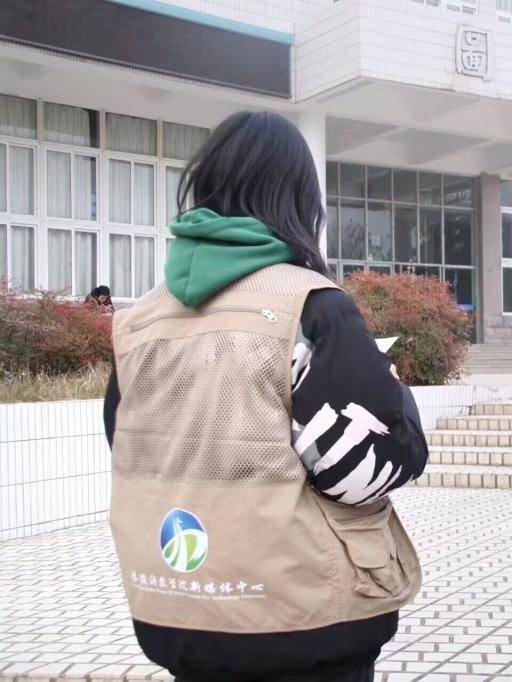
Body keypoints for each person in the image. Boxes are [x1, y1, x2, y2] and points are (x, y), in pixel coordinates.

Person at [102, 111, 429, 682]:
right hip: (299, 620)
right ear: (298, 198)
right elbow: (362, 470)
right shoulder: (309, 307)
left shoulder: (140, 320)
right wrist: (396, 393)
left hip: (174, 610)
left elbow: (124, 440)